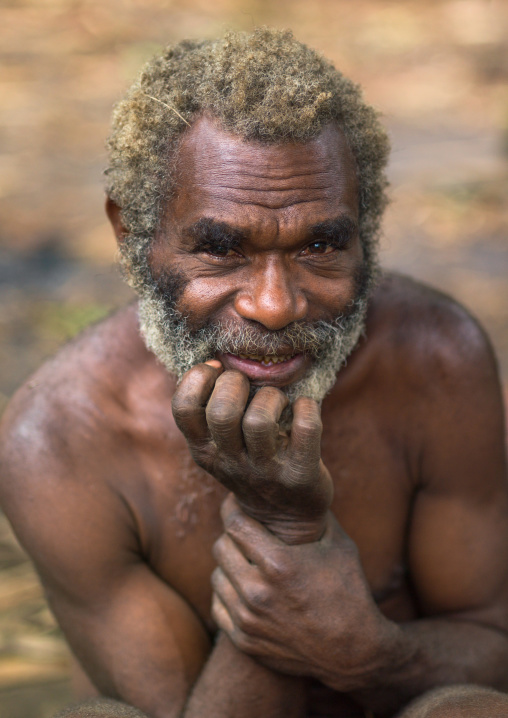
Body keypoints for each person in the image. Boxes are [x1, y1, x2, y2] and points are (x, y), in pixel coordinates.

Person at [0, 28, 507, 718]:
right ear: (132, 237)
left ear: (368, 235)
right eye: (220, 249)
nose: (274, 305)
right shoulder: (57, 440)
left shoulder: (436, 363)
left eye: (321, 245)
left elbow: (494, 642)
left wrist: (371, 652)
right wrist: (283, 528)